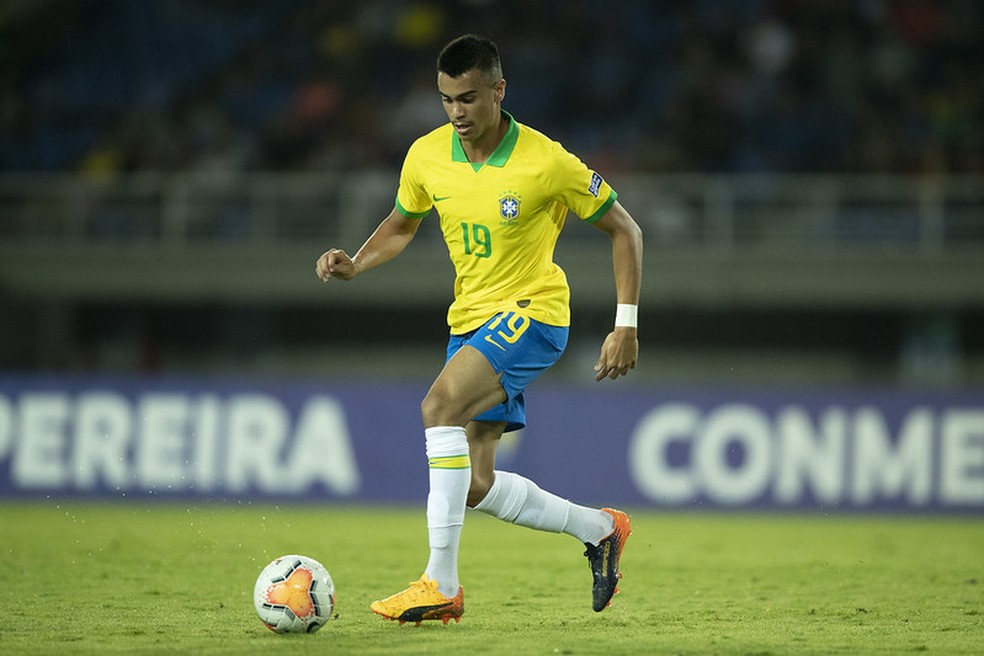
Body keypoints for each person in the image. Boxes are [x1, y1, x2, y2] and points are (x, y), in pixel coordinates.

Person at [315, 34, 643, 625]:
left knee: (437, 406)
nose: (457, 112)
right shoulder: (427, 155)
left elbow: (626, 230)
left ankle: (440, 584)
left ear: (498, 90)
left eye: (468, 98)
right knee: (472, 483)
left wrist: (626, 325)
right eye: (446, 100)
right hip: (469, 321)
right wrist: (356, 262)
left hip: (534, 312)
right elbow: (400, 223)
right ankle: (601, 529)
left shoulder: (547, 162)